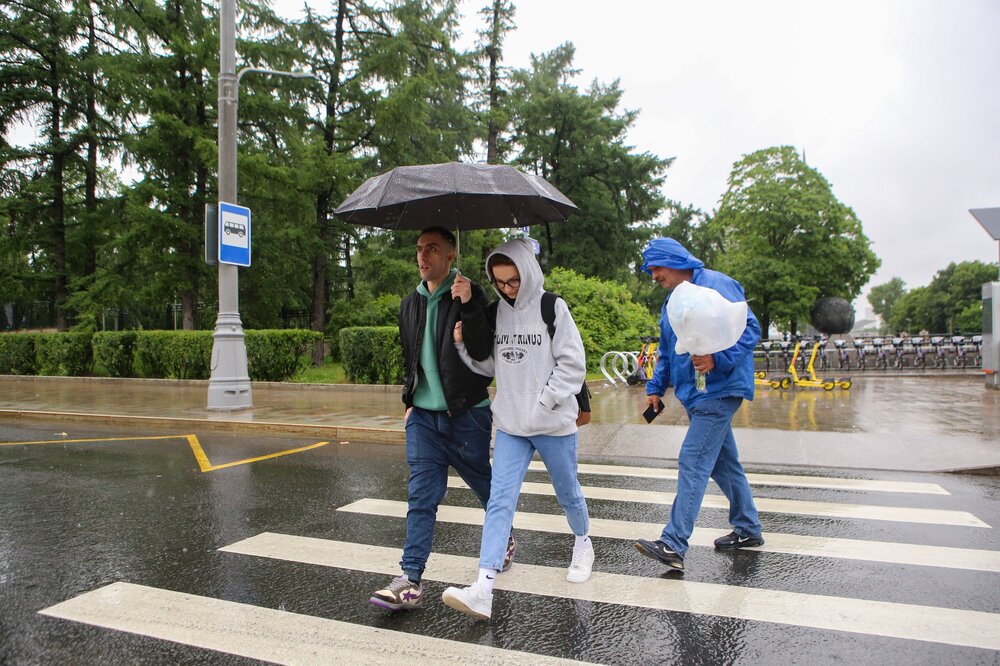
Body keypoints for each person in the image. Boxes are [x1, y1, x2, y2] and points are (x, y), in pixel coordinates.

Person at [440, 237, 593, 621]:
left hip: (552, 424)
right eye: (499, 282)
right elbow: (492, 367)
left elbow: (573, 364)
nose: (507, 289)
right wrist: (462, 349)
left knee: (568, 493)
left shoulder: (552, 307)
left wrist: (543, 402)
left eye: (513, 281)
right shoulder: (497, 312)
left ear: (528, 272)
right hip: (510, 424)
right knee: (500, 502)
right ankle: (484, 586)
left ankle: (583, 542)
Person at [369, 226, 515, 611]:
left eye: (432, 249)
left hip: (467, 413)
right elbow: (410, 357)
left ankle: (505, 535)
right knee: (421, 497)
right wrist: (409, 398)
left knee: (486, 486)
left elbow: (485, 353)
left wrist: (469, 304)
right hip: (424, 418)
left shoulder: (469, 292)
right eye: (419, 249)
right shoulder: (409, 304)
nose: (423, 256)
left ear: (450, 255)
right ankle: (410, 579)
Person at [634, 237, 764, 572]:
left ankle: (674, 543)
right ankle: (748, 528)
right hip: (694, 392)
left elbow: (750, 329)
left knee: (692, 461)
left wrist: (718, 359)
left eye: (656, 268)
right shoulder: (672, 301)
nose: (654, 276)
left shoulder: (717, 285)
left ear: (674, 262)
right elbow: (667, 348)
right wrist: (655, 387)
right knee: (724, 464)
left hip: (720, 390)